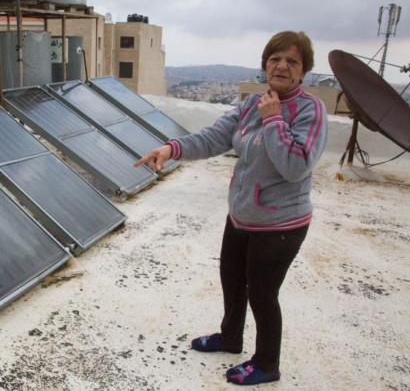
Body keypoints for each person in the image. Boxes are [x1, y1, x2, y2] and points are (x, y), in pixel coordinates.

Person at [135, 31, 328, 386]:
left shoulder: (310, 109)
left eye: (292, 61)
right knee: (232, 280)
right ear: (264, 64)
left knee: (263, 294)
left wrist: (273, 119)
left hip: (281, 222)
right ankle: (230, 338)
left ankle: (267, 364)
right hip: (242, 214)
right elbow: (216, 136)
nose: (282, 66)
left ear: (304, 72)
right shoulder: (251, 102)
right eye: (275, 58)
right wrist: (171, 149)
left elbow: (296, 165)